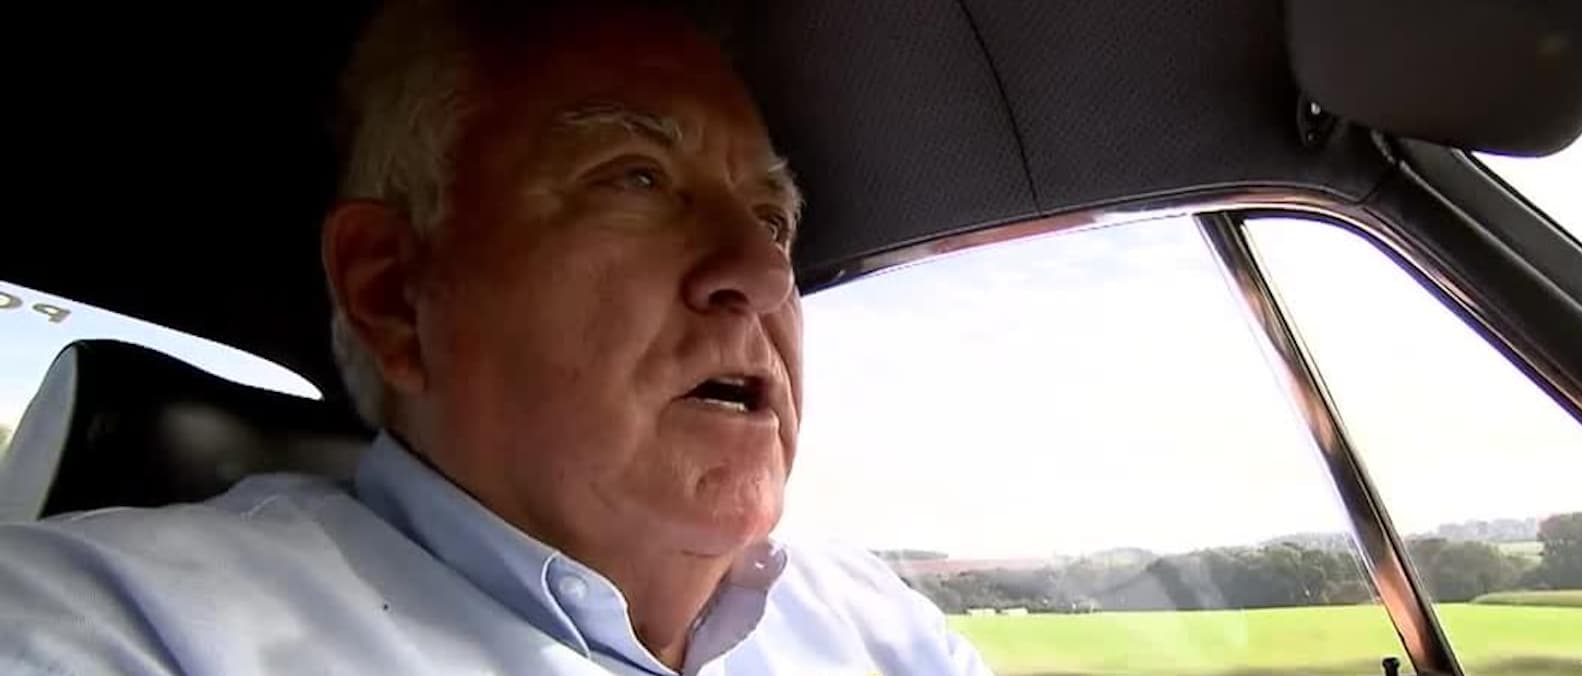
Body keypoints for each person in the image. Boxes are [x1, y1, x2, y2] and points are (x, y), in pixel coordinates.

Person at [0, 1, 991, 674]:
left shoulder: (877, 629)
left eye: (772, 219)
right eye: (637, 177)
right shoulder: (118, 627)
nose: (765, 273)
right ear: (394, 294)